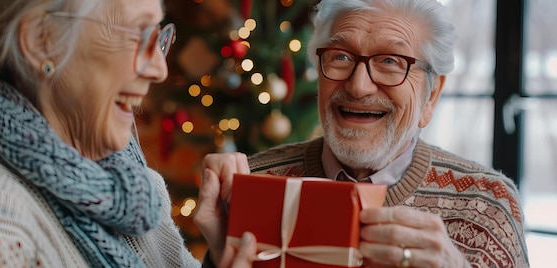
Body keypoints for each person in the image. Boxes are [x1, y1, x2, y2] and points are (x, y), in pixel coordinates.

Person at [194, 0, 530, 267]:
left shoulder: (487, 205)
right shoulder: (255, 184)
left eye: (391, 61)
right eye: (340, 56)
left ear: (431, 96)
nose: (358, 86)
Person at [0, 0, 259, 267]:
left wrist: (220, 253)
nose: (159, 69)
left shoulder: (130, 181)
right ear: (40, 41)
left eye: (157, 38)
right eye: (136, 34)